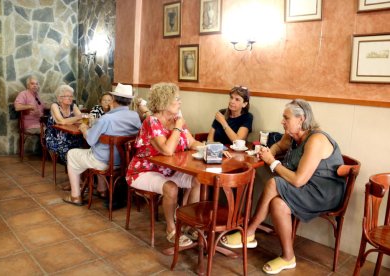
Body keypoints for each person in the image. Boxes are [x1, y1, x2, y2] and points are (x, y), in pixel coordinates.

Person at [221, 99, 345, 274]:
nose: (282, 121)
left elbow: (298, 180)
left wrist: (272, 163)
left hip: (324, 193)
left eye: (286, 118)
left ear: (301, 119)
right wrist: (268, 152)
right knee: (277, 204)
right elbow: (279, 145)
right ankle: (288, 257)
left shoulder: (316, 139)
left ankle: (249, 232)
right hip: (307, 188)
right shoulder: (293, 136)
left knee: (274, 182)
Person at [126, 82, 203, 247]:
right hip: (143, 171)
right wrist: (178, 127)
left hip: (169, 171)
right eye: (177, 99)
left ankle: (188, 223)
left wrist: (210, 149)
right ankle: (171, 229)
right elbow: (168, 150)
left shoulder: (176, 120)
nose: (180, 102)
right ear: (164, 102)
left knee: (199, 180)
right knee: (171, 188)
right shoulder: (151, 121)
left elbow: (192, 142)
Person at [63, 84, 141, 205]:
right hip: (126, 161)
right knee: (100, 151)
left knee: (72, 154)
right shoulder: (135, 116)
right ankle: (102, 189)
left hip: (104, 162)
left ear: (113, 100)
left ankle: (75, 196)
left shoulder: (106, 118)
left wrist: (84, 129)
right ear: (130, 101)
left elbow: (90, 140)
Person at [45, 84, 82, 165]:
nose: (70, 98)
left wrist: (71, 120)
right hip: (55, 137)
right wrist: (76, 118)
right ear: (60, 98)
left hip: (72, 135)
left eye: (71, 96)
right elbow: (62, 121)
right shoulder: (55, 106)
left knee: (85, 147)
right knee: (70, 156)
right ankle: (74, 170)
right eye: (67, 96)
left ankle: (80, 172)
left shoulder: (73, 106)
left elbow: (81, 120)